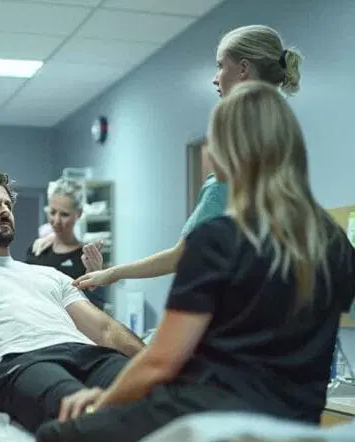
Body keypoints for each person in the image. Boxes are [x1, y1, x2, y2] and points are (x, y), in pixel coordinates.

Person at [35, 80, 355, 442]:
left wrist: (103, 403)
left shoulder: (218, 238)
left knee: (54, 436)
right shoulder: (335, 244)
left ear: (227, 150)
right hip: (294, 424)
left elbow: (161, 361)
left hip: (208, 418)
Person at [0, 169, 145, 434]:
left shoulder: (49, 275)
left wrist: (154, 362)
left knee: (152, 394)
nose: (4, 210)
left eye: (7, 205)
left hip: (87, 353)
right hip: (21, 363)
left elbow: (104, 329)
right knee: (85, 418)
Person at [73, 24, 302, 290]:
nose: (215, 78)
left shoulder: (231, 179)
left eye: (220, 66)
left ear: (243, 69)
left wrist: (111, 274)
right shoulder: (281, 156)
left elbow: (182, 255)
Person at [25, 178, 103, 279]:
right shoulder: (37, 250)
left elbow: (90, 292)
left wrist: (96, 277)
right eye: (52, 212)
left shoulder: (85, 259)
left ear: (79, 213)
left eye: (64, 214)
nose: (56, 220)